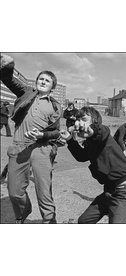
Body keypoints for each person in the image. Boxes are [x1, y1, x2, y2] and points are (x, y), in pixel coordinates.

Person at [0, 54, 62, 224]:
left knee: (43, 190)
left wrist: (43, 135)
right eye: (40, 78)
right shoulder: (26, 92)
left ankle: (49, 219)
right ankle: (23, 211)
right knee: (14, 191)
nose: (42, 81)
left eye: (47, 80)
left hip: (41, 149)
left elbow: (56, 132)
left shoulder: (56, 106)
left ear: (52, 86)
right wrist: (8, 66)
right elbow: (8, 79)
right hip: (19, 147)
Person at [59, 106, 126, 224]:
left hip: (124, 193)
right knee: (84, 221)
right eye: (77, 119)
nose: (78, 123)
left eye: (83, 119)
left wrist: (93, 130)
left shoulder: (102, 136)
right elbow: (81, 156)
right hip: (109, 191)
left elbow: (102, 131)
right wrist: (70, 139)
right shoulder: (90, 143)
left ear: (95, 121)